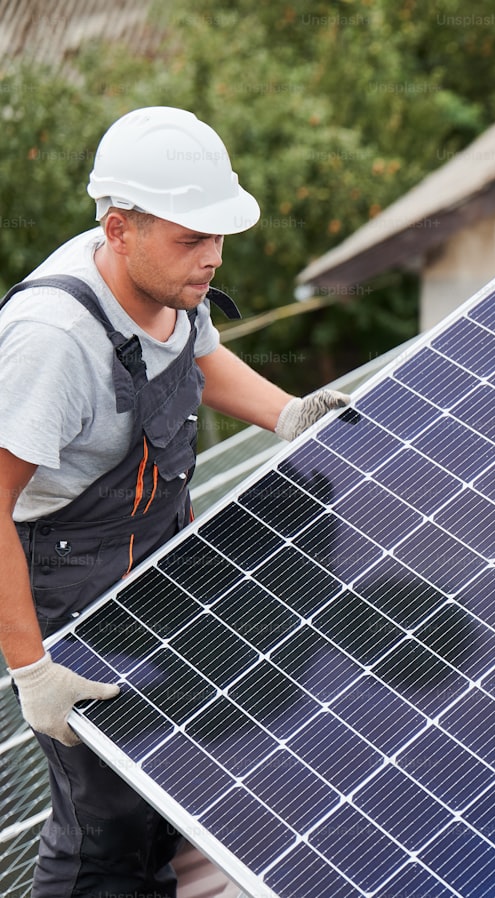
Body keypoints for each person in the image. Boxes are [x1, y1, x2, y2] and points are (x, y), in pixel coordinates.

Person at [0, 106, 348, 897]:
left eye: (217, 236)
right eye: (191, 239)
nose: (212, 258)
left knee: (166, 791)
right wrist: (33, 670)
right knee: (106, 834)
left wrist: (288, 413)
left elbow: (200, 360)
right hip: (69, 595)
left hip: (159, 565)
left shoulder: (168, 280)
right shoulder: (54, 340)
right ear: (119, 229)